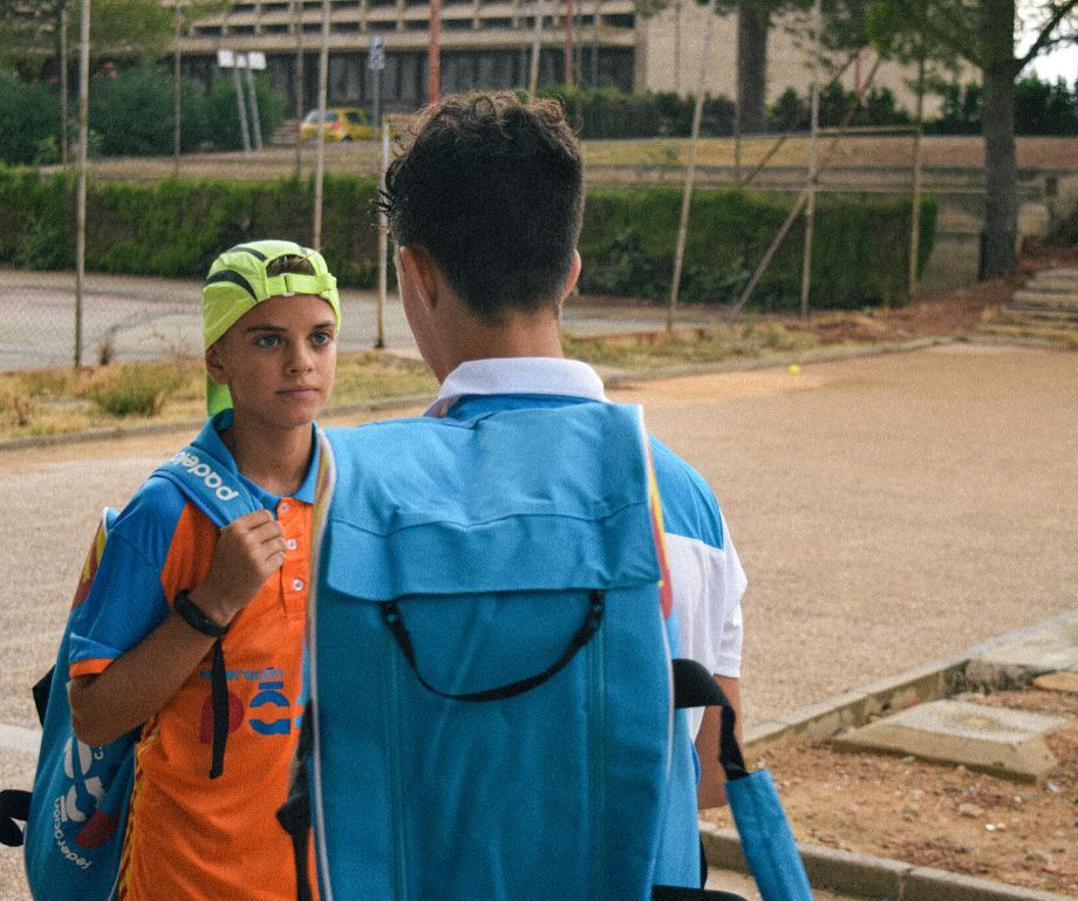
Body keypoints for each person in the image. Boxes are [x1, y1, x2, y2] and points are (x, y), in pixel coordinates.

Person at [381, 93, 746, 808]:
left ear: (418, 274)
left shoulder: (367, 494)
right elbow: (710, 772)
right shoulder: (688, 502)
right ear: (571, 270)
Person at [66, 240, 340, 899]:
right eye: (268, 340)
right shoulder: (165, 511)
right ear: (218, 356)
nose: (302, 361)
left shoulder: (353, 495)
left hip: (319, 876)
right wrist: (212, 603)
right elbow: (94, 715)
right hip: (185, 877)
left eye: (320, 336)